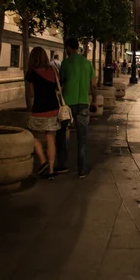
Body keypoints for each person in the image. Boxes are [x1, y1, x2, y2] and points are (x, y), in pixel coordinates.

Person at [56, 37, 96, 178]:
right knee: (82, 138)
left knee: (61, 133)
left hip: (68, 104)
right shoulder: (87, 63)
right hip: (83, 103)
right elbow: (93, 84)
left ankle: (61, 164)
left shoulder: (65, 63)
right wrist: (95, 100)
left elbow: (62, 82)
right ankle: (82, 170)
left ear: (68, 47)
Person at [25, 47, 60, 180]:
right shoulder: (53, 70)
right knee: (50, 138)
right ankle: (51, 171)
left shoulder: (31, 73)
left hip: (39, 110)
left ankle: (43, 161)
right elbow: (58, 87)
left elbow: (32, 94)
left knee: (33, 136)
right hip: (53, 109)